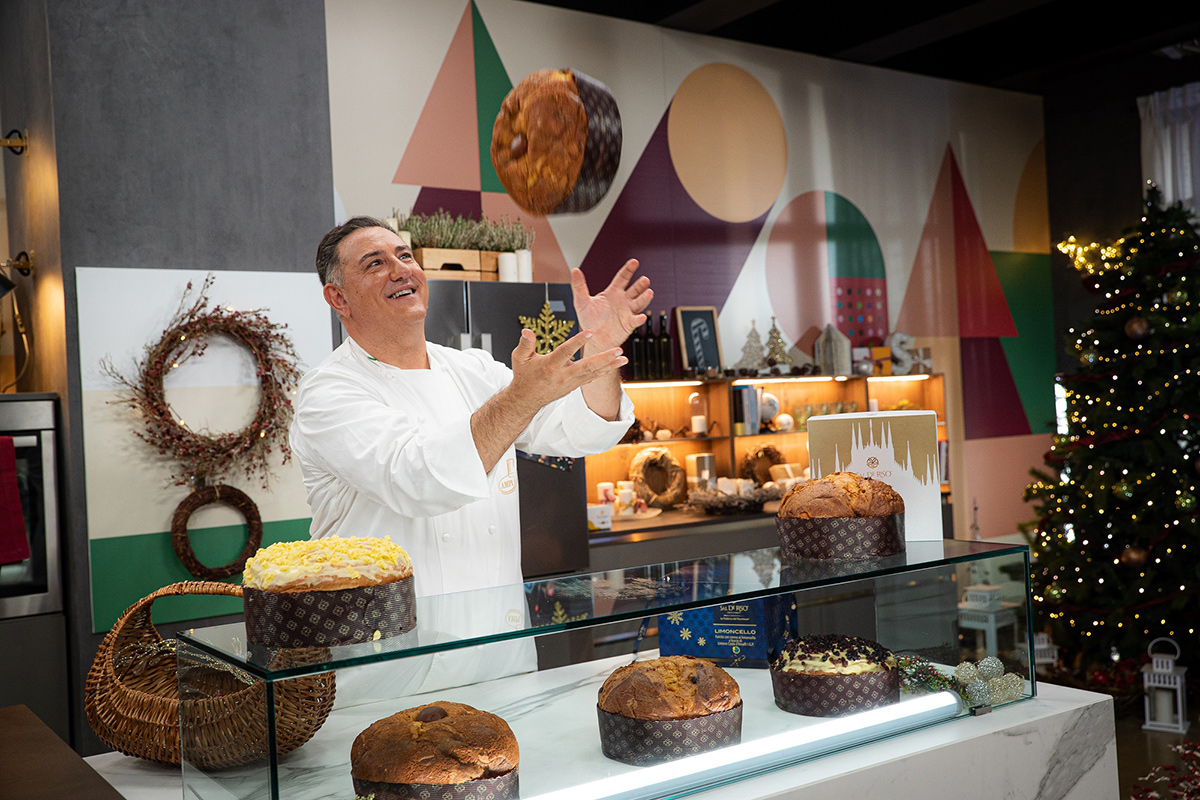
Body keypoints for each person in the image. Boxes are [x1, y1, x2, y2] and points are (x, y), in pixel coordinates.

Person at [289, 216, 649, 690]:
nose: (401, 270)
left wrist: (601, 352)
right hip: (391, 674)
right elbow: (420, 478)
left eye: (405, 257)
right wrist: (522, 396)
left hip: (501, 656)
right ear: (338, 298)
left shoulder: (472, 368)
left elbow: (579, 432)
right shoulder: (329, 392)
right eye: (375, 263)